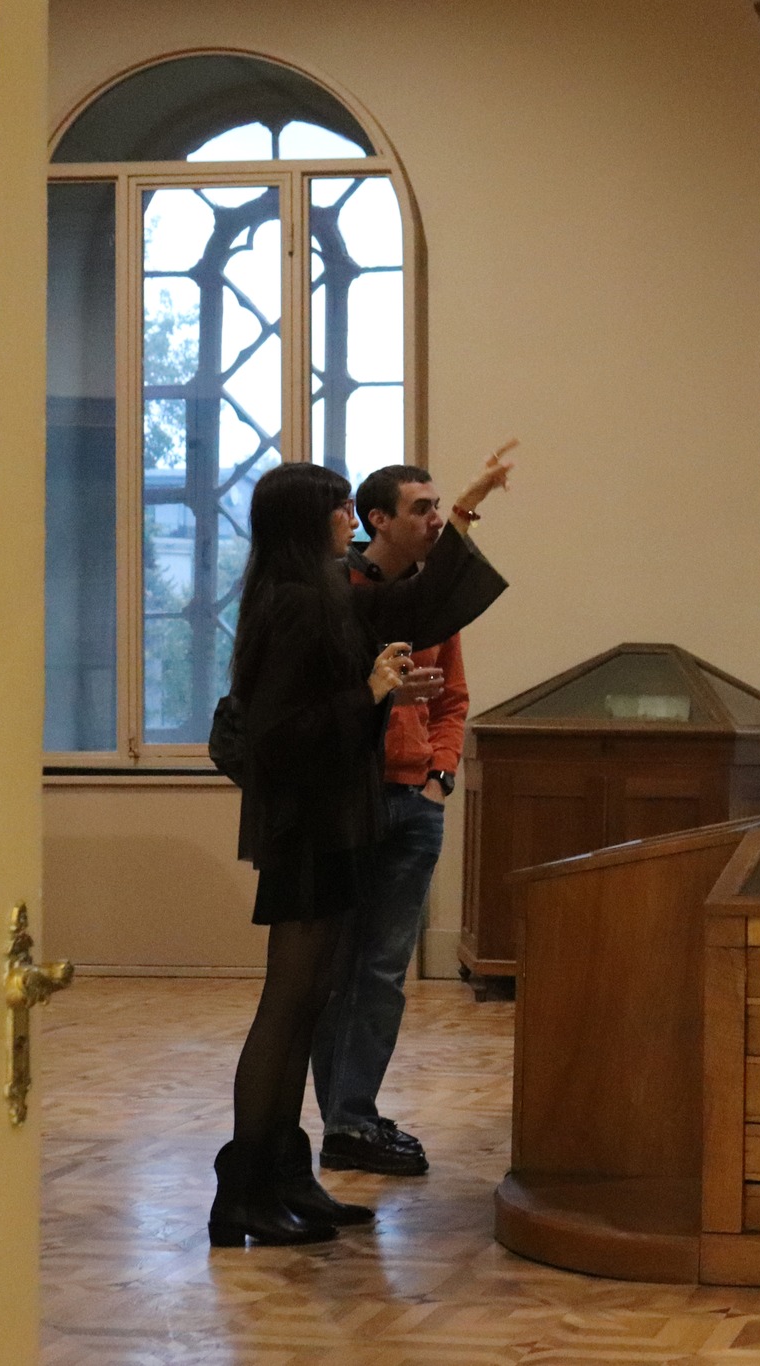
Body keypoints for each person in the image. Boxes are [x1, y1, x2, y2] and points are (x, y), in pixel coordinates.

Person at [210, 451, 512, 1247]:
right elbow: (278, 735)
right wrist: (372, 692)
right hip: (305, 828)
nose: (349, 518)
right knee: (287, 1006)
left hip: (334, 821)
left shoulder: (322, 594)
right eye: (340, 507)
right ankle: (244, 1190)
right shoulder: (289, 603)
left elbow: (412, 605)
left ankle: (286, 1176)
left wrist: (464, 515)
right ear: (305, 520)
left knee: (311, 1002)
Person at [310, 465, 468, 1177]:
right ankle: (345, 1122)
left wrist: (439, 777)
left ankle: (353, 1118)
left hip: (415, 803)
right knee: (338, 968)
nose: (435, 519)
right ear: (379, 519)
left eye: (439, 507)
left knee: (382, 973)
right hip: (350, 800)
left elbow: (453, 700)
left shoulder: (432, 601)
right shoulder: (334, 591)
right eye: (422, 508)